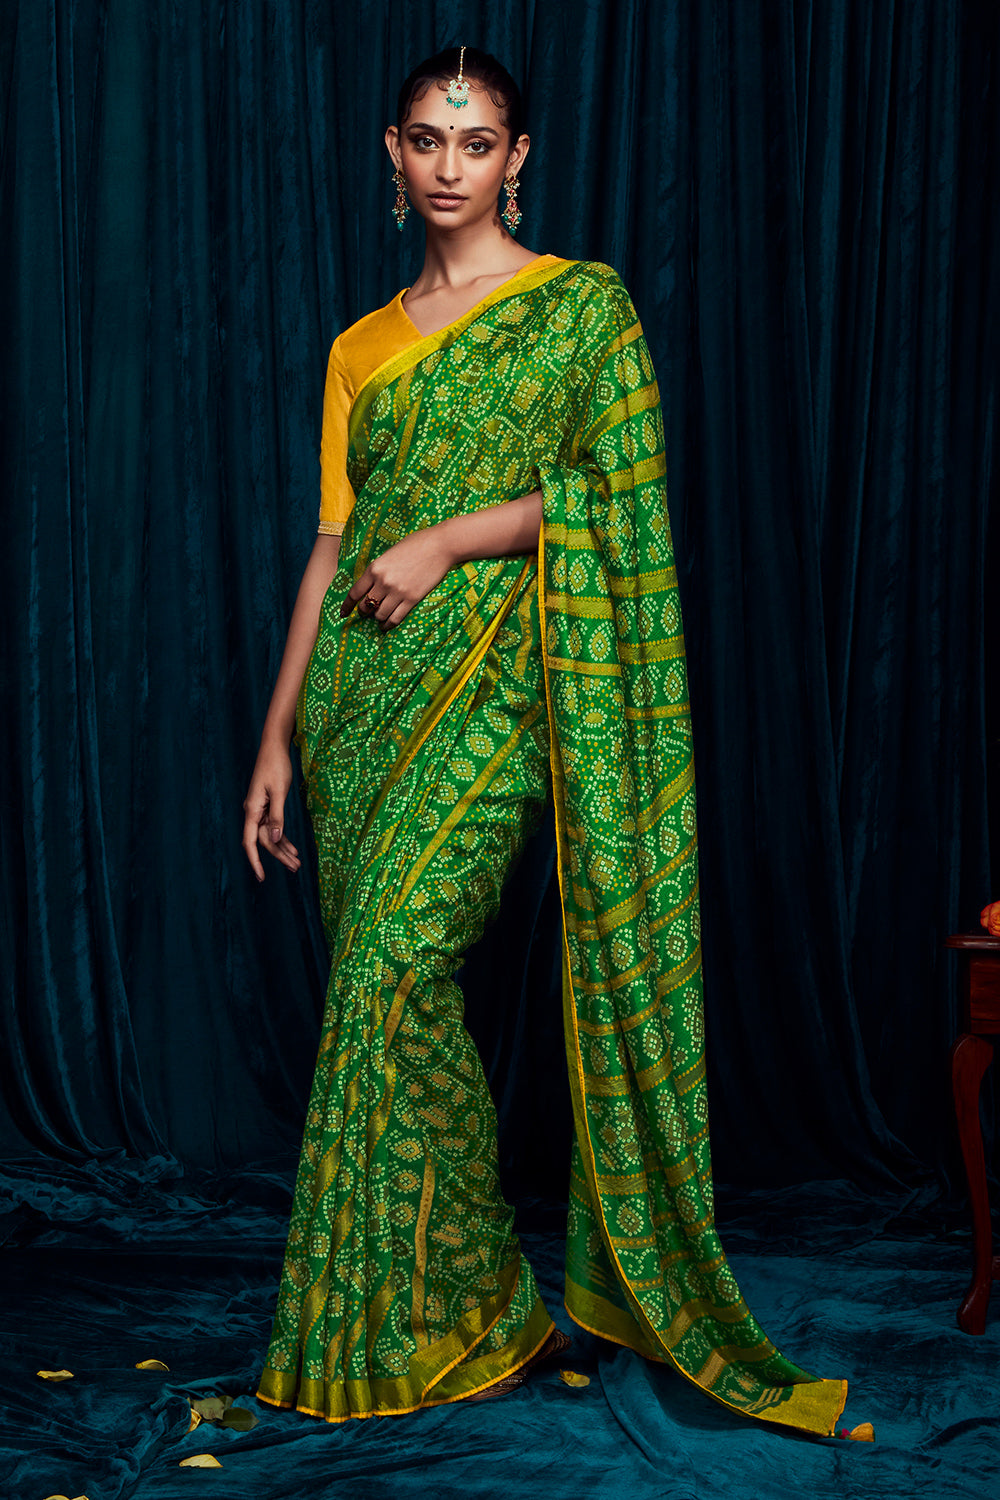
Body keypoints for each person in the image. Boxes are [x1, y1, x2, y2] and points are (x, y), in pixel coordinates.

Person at [242, 46, 849, 1436]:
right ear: (391, 152)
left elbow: (618, 502)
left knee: (396, 969)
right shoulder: (361, 347)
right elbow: (332, 545)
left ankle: (424, 1313)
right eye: (425, 139)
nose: (449, 165)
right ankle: (470, 1311)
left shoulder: (583, 310)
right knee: (393, 1002)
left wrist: (452, 538)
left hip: (502, 685)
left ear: (517, 158)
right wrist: (275, 736)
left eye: (477, 142)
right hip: (359, 696)